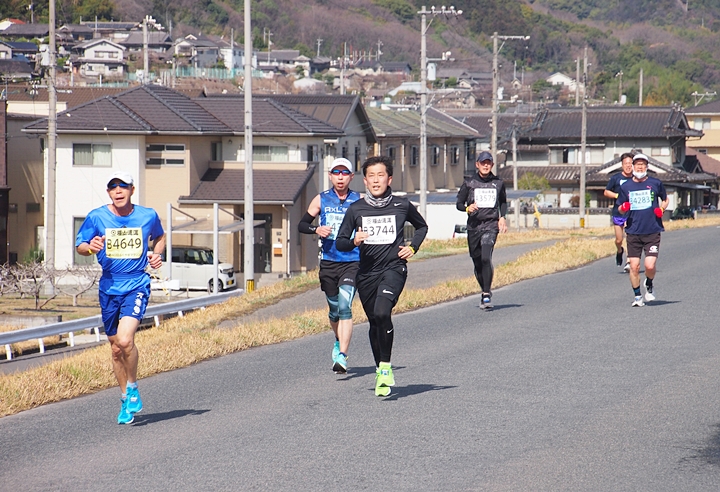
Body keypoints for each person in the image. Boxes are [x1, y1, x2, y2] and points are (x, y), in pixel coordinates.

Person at [75, 172, 165, 424]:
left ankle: (133, 387)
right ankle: (125, 398)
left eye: (122, 186)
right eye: (112, 187)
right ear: (108, 192)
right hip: (109, 286)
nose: (118, 190)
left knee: (126, 340)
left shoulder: (147, 215)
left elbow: (160, 236)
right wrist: (90, 248)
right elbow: (81, 246)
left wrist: (156, 254)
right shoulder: (97, 217)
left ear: (131, 190)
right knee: (116, 350)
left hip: (136, 283)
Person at [335, 155, 428, 397]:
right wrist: (354, 240)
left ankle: (386, 367)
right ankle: (380, 370)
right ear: (365, 181)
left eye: (381, 175)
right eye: (371, 176)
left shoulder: (402, 205)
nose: (376, 180)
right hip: (366, 273)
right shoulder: (356, 209)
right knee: (375, 322)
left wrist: (413, 247)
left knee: (382, 312)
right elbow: (341, 242)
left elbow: (422, 226)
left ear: (389, 179)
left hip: (394, 268)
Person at [298, 157, 361, 374]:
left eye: (344, 173)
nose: (340, 177)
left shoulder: (359, 200)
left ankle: (342, 355)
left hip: (352, 261)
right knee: (334, 311)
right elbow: (302, 224)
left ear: (351, 176)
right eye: (336, 173)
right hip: (329, 262)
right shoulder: (321, 199)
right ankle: (337, 337)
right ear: (330, 176)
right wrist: (317, 229)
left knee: (345, 307)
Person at [455, 150, 508, 310]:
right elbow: (458, 204)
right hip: (474, 226)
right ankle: (485, 289)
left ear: (492, 165)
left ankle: (486, 294)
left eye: (488, 163)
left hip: (490, 225)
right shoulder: (469, 183)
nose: (486, 166)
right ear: (477, 164)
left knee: (486, 257)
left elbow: (503, 202)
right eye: (483, 163)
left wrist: (503, 217)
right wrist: (467, 208)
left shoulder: (498, 183)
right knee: (477, 262)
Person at [616, 154, 668, 307]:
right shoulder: (626, 186)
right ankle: (638, 296)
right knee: (634, 266)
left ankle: (649, 283)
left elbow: (665, 199)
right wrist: (623, 207)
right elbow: (619, 208)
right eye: (637, 164)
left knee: (650, 266)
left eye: (643, 164)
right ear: (632, 167)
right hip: (633, 231)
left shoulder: (655, 183)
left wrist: (661, 209)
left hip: (652, 230)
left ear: (647, 167)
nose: (640, 167)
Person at [604, 152, 634, 272]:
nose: (628, 166)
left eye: (630, 163)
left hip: (631, 213)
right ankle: (619, 250)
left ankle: (629, 261)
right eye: (626, 163)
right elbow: (606, 192)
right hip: (618, 212)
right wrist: (617, 196)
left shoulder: (636, 179)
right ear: (622, 165)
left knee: (629, 237)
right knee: (619, 240)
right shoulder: (616, 178)